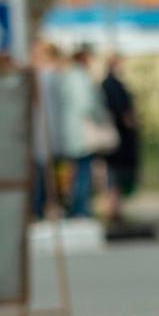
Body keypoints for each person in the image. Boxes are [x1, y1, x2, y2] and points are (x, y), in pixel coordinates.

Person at [56, 46, 105, 219]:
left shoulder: (68, 77)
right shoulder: (80, 78)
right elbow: (87, 105)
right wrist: (101, 119)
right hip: (82, 134)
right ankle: (80, 208)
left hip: (72, 133)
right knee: (82, 172)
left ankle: (76, 206)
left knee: (76, 171)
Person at [102, 53, 141, 225]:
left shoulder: (111, 84)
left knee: (115, 174)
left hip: (119, 137)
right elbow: (121, 111)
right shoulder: (111, 85)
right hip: (118, 137)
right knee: (115, 174)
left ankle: (114, 207)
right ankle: (112, 208)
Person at [30, 41, 64, 218]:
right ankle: (39, 206)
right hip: (39, 130)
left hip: (43, 130)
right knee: (40, 172)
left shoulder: (45, 75)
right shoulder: (42, 75)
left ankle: (42, 206)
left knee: (43, 171)